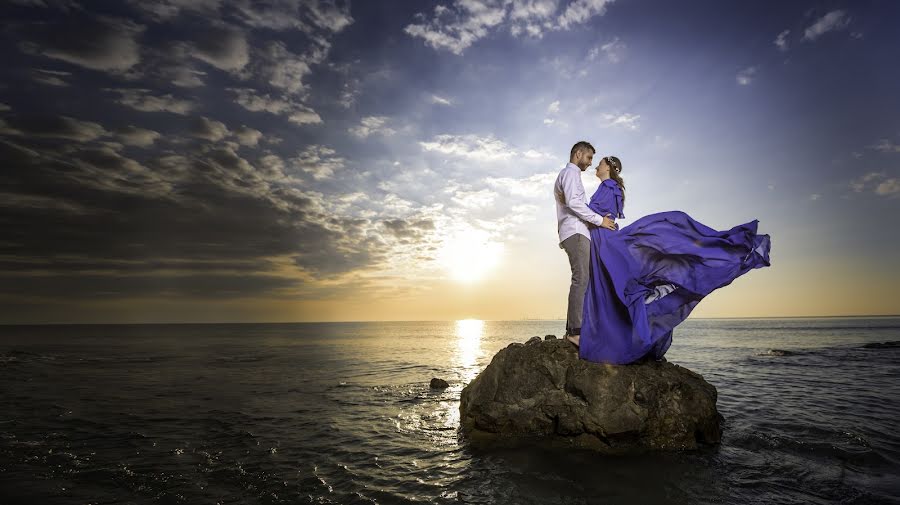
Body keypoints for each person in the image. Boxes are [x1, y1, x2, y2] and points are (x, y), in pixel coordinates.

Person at [572, 155, 771, 364]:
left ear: (610, 168)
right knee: (611, 290)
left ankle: (611, 339)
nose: (597, 165)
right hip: (602, 239)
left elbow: (593, 213)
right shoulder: (609, 187)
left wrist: (576, 207)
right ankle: (609, 336)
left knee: (613, 288)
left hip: (605, 241)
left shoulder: (609, 186)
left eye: (601, 163)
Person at [554, 141, 617, 344]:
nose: (590, 163)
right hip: (576, 232)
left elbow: (575, 203)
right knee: (581, 279)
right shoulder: (571, 173)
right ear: (578, 154)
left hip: (574, 231)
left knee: (581, 279)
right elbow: (574, 203)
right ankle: (574, 332)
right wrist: (600, 221)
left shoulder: (569, 175)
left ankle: (573, 329)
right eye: (589, 158)